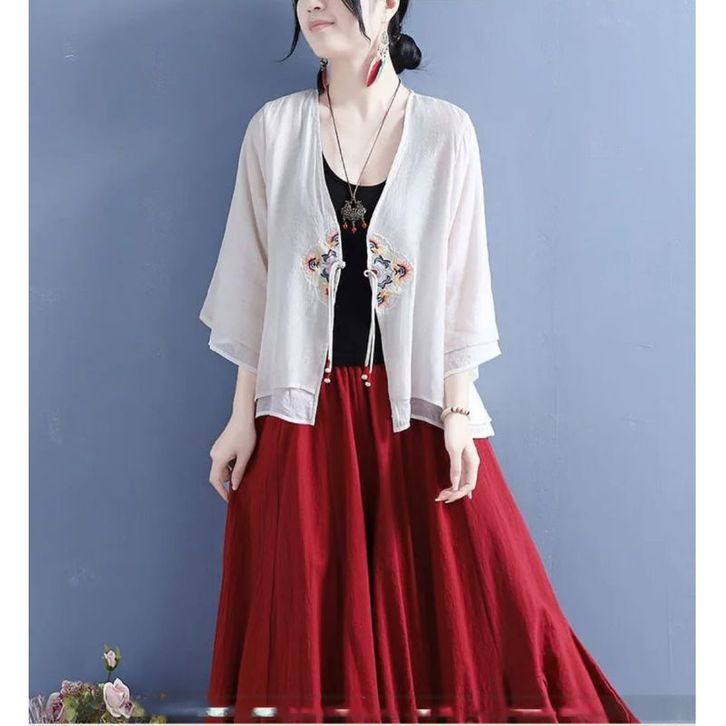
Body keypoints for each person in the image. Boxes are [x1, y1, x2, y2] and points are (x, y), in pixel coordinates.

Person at [199, 1, 640, 723]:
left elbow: (464, 282)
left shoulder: (445, 132)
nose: (314, 4)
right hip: (300, 421)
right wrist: (239, 417)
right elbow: (252, 282)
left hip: (414, 417)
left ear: (389, 3)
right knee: (311, 631)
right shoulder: (273, 132)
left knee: (486, 614)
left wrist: (459, 412)